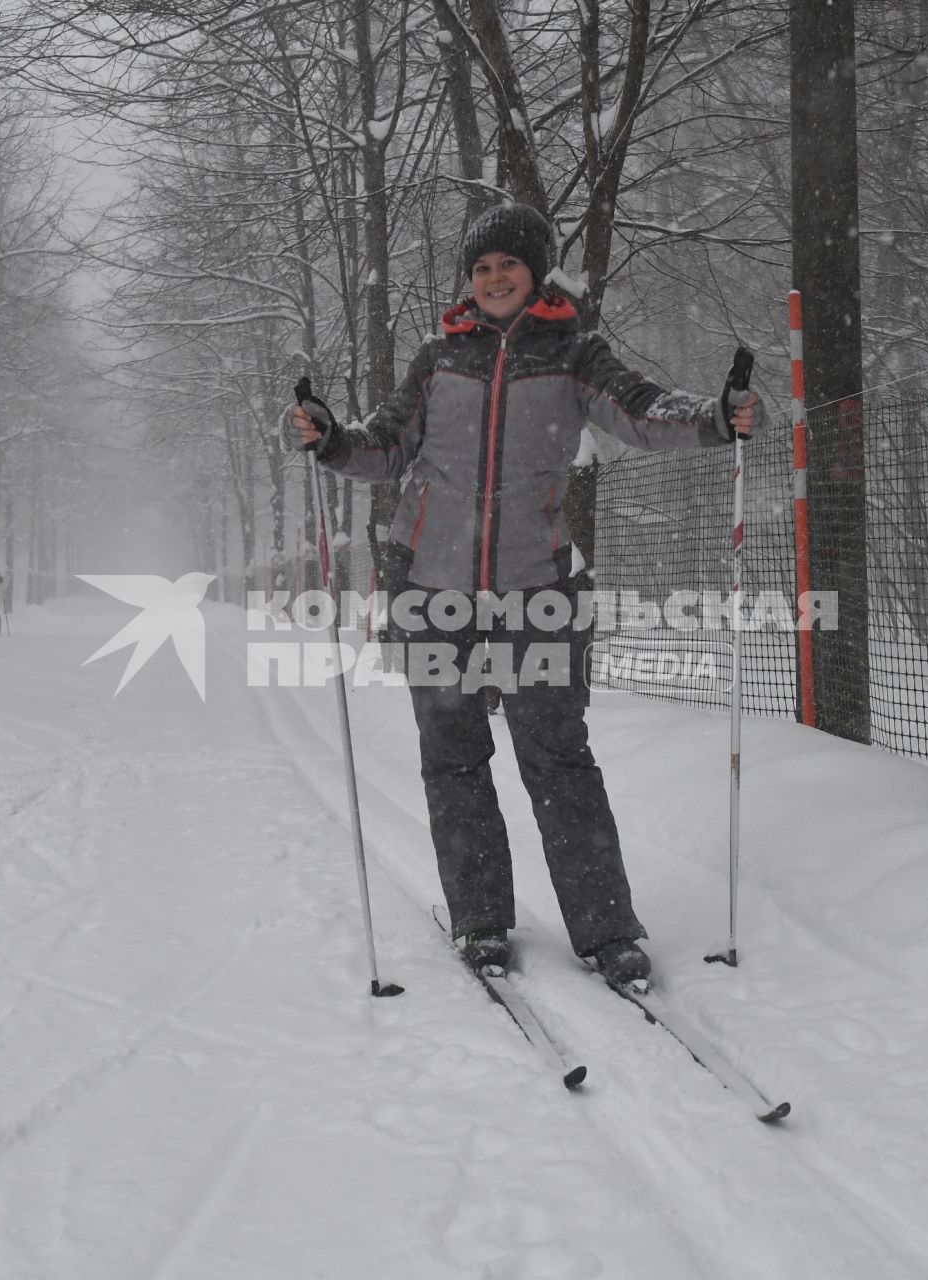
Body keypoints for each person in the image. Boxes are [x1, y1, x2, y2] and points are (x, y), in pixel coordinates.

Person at [288, 202, 759, 988]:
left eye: (508, 264)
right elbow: (384, 446)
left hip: (538, 586)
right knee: (454, 760)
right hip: (432, 588)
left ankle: (607, 931)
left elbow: (644, 414)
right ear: (469, 283)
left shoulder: (574, 357)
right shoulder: (439, 359)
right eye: (481, 268)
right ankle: (480, 924)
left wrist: (716, 419)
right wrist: (330, 437)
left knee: (558, 757)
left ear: (535, 272)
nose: (495, 277)